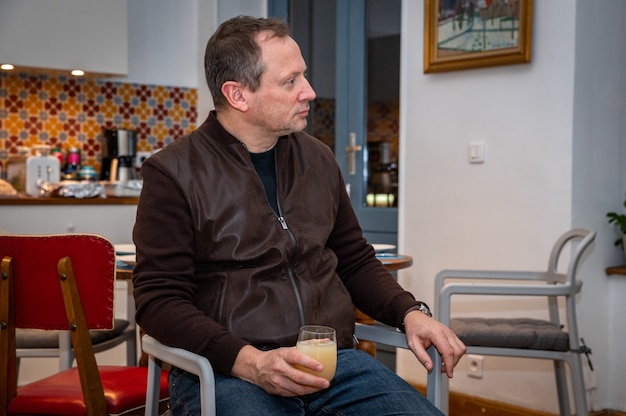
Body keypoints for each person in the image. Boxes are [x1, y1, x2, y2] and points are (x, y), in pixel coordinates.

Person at [132, 15, 466, 416]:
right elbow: (159, 301)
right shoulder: (172, 173)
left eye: (303, 76)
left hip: (333, 366)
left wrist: (410, 312)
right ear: (238, 94)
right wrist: (251, 362)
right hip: (226, 370)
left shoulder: (318, 158)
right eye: (290, 82)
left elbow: (355, 259)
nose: (309, 92)